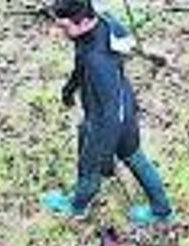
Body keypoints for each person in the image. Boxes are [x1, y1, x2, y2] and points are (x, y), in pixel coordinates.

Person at [41, 0, 174, 226]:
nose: (61, 32)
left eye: (64, 27)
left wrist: (102, 152)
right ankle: (162, 210)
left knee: (90, 164)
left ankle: (77, 207)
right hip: (120, 104)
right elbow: (90, 57)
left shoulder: (98, 61)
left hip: (110, 118)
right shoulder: (102, 22)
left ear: (82, 21)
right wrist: (70, 88)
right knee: (134, 157)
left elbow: (110, 112)